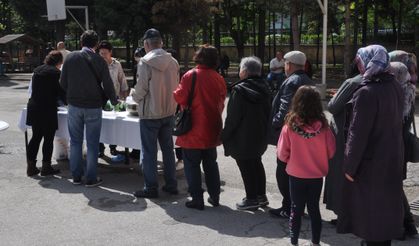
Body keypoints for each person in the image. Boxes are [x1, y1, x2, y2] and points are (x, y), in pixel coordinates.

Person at [337, 45, 405, 246]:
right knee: (385, 210)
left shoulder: (366, 92)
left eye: (360, 61)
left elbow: (357, 134)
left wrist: (349, 167)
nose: (359, 66)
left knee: (370, 213)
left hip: (371, 164)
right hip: (391, 158)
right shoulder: (395, 86)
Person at [278, 85, 335, 246]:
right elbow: (331, 151)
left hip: (296, 174)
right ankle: (315, 242)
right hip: (316, 175)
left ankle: (294, 241)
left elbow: (282, 153)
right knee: (314, 209)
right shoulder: (324, 127)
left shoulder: (289, 125)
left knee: (296, 209)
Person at [60, 30, 118, 187]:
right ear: (96, 44)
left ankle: (76, 176)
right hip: (93, 106)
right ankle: (91, 178)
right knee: (92, 143)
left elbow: (62, 83)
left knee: (76, 141)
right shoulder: (99, 60)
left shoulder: (70, 58)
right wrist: (114, 101)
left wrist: (68, 98)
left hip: (74, 106)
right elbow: (108, 84)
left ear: (81, 43)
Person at [174, 44, 227, 210]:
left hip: (193, 127)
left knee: (192, 164)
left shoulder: (191, 75)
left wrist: (175, 92)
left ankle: (197, 198)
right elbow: (221, 101)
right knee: (211, 163)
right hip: (212, 126)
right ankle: (215, 195)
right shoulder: (218, 78)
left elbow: (180, 97)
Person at [132, 28, 179, 198]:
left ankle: (151, 188)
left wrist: (133, 96)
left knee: (149, 152)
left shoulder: (145, 62)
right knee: (168, 150)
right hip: (169, 112)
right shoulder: (173, 62)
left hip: (150, 113)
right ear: (161, 43)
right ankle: (171, 184)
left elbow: (141, 89)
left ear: (146, 44)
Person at [268, 51, 315, 218]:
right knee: (297, 172)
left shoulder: (292, 81)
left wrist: (274, 124)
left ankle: (288, 207)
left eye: (286, 63)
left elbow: (285, 107)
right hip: (305, 134)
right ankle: (297, 206)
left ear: (289, 65)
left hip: (290, 134)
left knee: (283, 171)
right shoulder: (308, 80)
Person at [222, 56, 271, 211]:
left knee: (245, 165)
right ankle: (261, 196)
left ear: (244, 71)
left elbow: (233, 118)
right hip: (260, 134)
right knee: (256, 162)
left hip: (242, 136)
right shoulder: (266, 86)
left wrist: (225, 135)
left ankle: (251, 198)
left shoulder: (239, 90)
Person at [323, 65, 363, 224]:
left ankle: (344, 214)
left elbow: (333, 106)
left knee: (341, 173)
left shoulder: (354, 82)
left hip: (345, 134)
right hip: (366, 135)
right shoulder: (388, 81)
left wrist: (336, 97)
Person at [388, 57, 418, 239]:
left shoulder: (398, 93)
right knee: (395, 186)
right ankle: (407, 225)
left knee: (393, 187)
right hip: (401, 145)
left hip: (394, 146)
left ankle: (403, 226)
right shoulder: (408, 89)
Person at [26, 51, 66, 176]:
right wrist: (67, 101)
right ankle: (46, 166)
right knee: (48, 138)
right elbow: (59, 91)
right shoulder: (55, 73)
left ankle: (31, 166)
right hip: (47, 108)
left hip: (34, 106)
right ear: (59, 62)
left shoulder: (37, 70)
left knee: (36, 137)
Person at [97, 40, 129, 158]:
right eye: (100, 53)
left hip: (114, 98)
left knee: (113, 125)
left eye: (105, 53)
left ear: (110, 52)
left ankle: (113, 147)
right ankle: (100, 148)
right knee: (99, 124)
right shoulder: (97, 64)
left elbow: (122, 80)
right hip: (100, 98)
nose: (103, 55)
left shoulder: (117, 64)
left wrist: (125, 96)